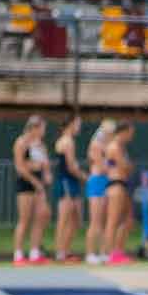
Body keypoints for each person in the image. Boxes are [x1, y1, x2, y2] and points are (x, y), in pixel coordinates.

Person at [12, 113, 51, 265]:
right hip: (26, 184)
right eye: (42, 128)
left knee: (40, 217)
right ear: (34, 128)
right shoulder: (21, 142)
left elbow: (44, 164)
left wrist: (46, 174)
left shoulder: (40, 145)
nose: (44, 132)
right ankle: (18, 254)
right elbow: (20, 167)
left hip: (38, 184)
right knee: (24, 219)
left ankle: (35, 252)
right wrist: (35, 181)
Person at [53, 111, 85, 263]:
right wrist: (85, 177)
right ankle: (60, 253)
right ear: (70, 124)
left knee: (75, 219)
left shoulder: (69, 141)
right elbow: (71, 167)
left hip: (72, 182)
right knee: (64, 218)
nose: (79, 127)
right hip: (65, 181)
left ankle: (66, 250)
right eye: (78, 124)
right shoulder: (67, 141)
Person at [104, 120, 136, 266]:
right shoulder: (114, 146)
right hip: (115, 184)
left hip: (122, 184)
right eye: (130, 133)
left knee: (127, 220)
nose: (131, 136)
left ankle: (118, 251)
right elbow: (124, 166)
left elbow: (125, 166)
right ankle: (109, 254)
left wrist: (128, 166)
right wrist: (128, 166)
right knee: (113, 220)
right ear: (123, 132)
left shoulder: (121, 147)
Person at [84, 118, 116, 265]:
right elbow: (102, 166)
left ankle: (103, 253)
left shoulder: (108, 145)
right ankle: (90, 253)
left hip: (105, 181)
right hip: (96, 181)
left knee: (103, 220)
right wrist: (114, 165)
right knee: (95, 220)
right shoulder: (96, 145)